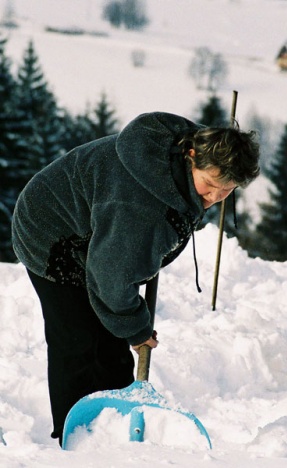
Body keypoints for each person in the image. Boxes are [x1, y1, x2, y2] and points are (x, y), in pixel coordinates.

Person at [11, 111, 260, 445]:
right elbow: (111, 280)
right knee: (78, 341)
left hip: (99, 232)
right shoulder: (139, 206)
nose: (215, 198)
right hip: (50, 234)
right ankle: (72, 436)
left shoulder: (197, 152)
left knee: (111, 340)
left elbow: (119, 263)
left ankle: (112, 418)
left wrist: (127, 322)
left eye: (227, 191)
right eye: (211, 185)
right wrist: (137, 329)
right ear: (191, 156)